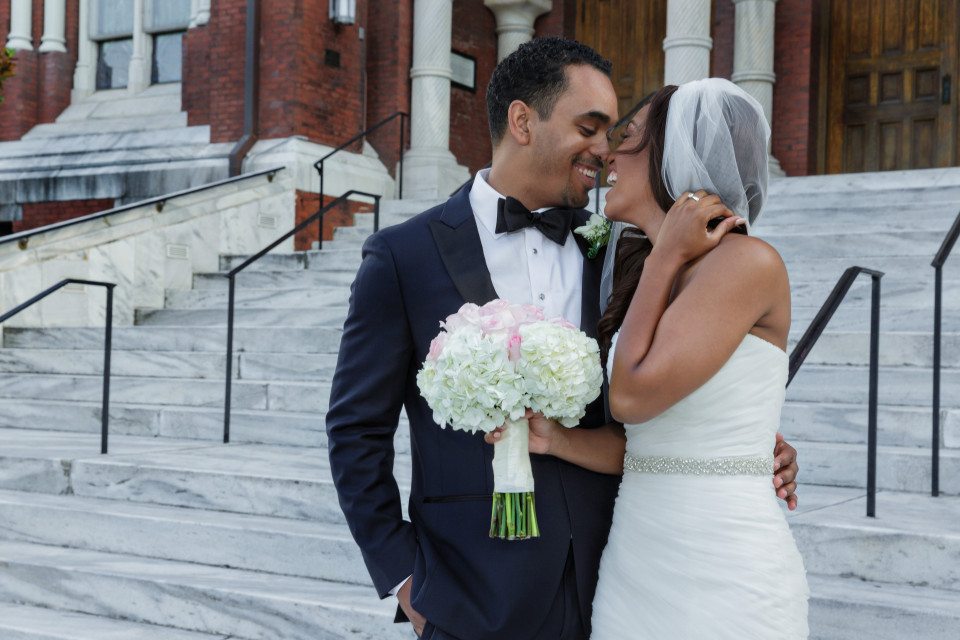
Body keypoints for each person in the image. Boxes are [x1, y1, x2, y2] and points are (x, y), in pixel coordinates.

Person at [326, 38, 800, 640]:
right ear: (523, 122)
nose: (605, 150)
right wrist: (404, 578)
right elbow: (356, 430)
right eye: (589, 127)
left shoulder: (622, 249)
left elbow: (677, 385)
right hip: (470, 594)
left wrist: (752, 446)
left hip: (618, 579)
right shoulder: (403, 255)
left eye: (614, 133)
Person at [514, 78, 810, 638]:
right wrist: (557, 440)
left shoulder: (746, 262)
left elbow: (629, 398)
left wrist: (666, 255)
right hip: (635, 561)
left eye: (628, 137)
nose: (609, 154)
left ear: (671, 155)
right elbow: (648, 446)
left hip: (723, 568)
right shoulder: (645, 270)